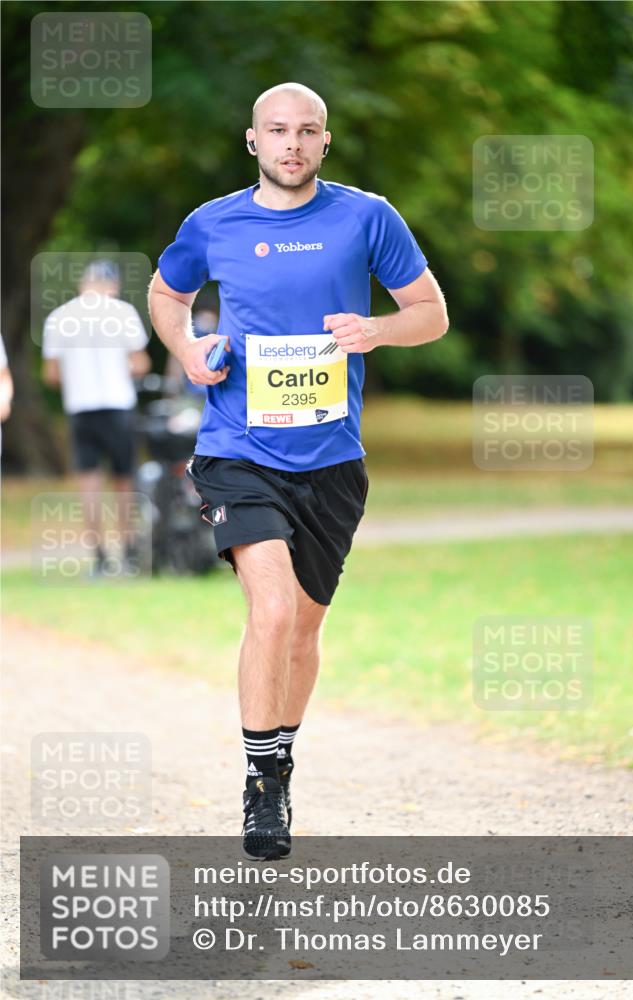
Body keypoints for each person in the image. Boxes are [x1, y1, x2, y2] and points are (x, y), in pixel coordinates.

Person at [149, 82, 448, 860]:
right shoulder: (211, 223)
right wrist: (185, 349)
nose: (291, 143)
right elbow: (165, 290)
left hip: (332, 462)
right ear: (252, 141)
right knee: (273, 613)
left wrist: (376, 330)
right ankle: (261, 785)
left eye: (306, 131)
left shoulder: (366, 217)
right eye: (276, 130)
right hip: (236, 451)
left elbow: (430, 311)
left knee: (305, 629)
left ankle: (280, 755)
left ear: (324, 141)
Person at [42, 260, 151, 574]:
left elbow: (51, 373)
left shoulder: (59, 317)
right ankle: (129, 553)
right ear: (112, 285)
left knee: (89, 484)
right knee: (123, 480)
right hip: (118, 406)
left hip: (80, 407)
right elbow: (140, 363)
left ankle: (100, 558)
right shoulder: (122, 313)